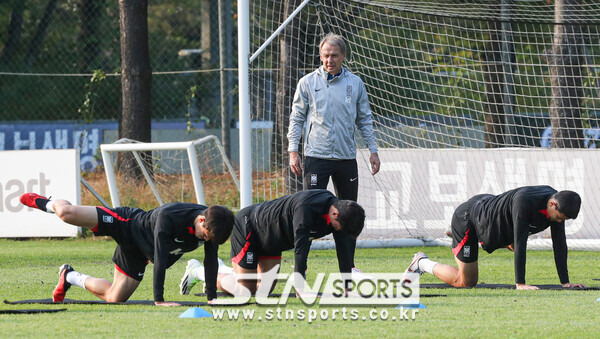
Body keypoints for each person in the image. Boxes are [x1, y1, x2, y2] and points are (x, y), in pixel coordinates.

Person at [19, 192, 234, 306]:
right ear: (201, 218)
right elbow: (160, 260)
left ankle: (69, 276)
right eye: (203, 234)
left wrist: (211, 298)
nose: (203, 239)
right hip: (128, 224)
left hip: (139, 253)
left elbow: (211, 261)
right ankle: (49, 202)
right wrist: (159, 300)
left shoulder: (213, 227)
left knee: (114, 298)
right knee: (67, 214)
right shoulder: (170, 217)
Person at [287, 33, 380, 274]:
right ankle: (301, 271)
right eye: (326, 55)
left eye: (334, 55)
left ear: (343, 57)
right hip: (316, 158)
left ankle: (347, 273)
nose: (330, 60)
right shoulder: (307, 82)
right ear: (320, 56)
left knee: (348, 216)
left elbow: (365, 120)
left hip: (346, 159)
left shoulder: (355, 84)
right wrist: (293, 151)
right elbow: (296, 117)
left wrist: (373, 150)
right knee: (307, 216)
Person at [179, 189, 365, 296]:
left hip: (272, 243)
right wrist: (300, 287)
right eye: (339, 227)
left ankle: (222, 270)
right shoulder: (307, 208)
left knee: (262, 293)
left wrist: (347, 286)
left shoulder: (340, 217)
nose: (338, 231)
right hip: (249, 229)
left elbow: (344, 248)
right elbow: (300, 249)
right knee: (243, 292)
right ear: (334, 214)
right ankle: (198, 271)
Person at [403, 185, 586, 290]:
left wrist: (566, 282)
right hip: (469, 219)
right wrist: (520, 283)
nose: (559, 221)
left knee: (512, 242)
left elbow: (560, 244)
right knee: (466, 282)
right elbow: (521, 244)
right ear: (553, 203)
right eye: (560, 217)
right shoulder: (525, 203)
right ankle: (422, 262)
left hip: (490, 212)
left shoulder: (556, 204)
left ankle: (457, 235)